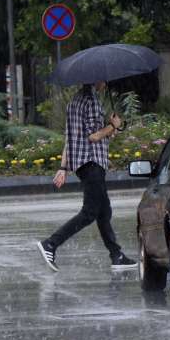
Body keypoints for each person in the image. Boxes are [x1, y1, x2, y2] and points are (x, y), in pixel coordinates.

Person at [37, 80, 137, 273]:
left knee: (103, 211)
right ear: (97, 79)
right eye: (104, 80)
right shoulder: (91, 101)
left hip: (82, 164)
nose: (105, 84)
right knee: (90, 213)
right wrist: (113, 125)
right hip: (92, 164)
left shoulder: (74, 101)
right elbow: (93, 136)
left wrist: (63, 167)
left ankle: (116, 255)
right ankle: (51, 244)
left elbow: (71, 136)